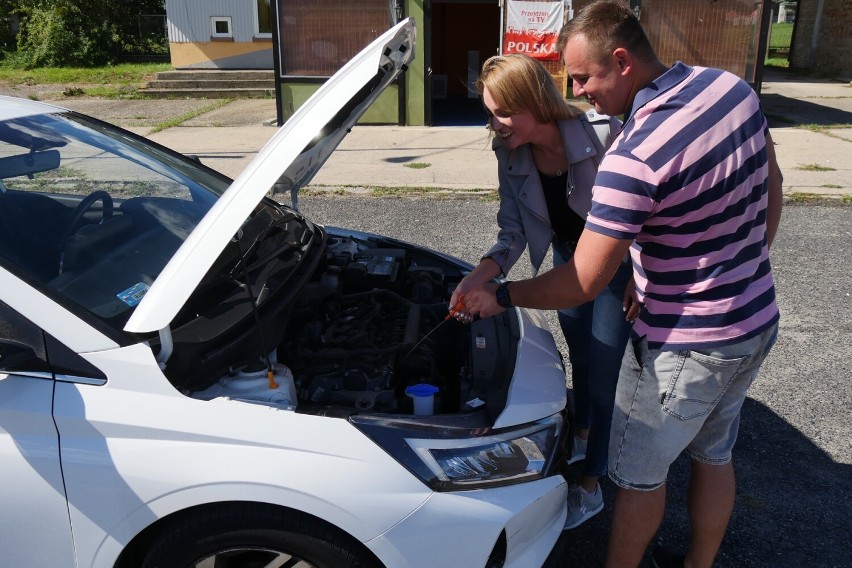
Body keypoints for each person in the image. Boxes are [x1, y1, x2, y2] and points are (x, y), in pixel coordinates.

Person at [460, 2, 783, 567]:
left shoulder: (627, 150)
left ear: (622, 60)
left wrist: (506, 296)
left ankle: (600, 502)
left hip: (678, 335)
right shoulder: (730, 89)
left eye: (583, 77)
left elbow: (587, 278)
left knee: (636, 477)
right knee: (711, 452)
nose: (579, 90)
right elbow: (770, 182)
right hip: (755, 316)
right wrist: (743, 265)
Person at [449, 53, 639, 530]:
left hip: (617, 266)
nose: (495, 124)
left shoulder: (603, 133)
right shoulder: (508, 151)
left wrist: (642, 274)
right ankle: (581, 436)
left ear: (535, 101)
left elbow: (646, 213)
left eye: (504, 112)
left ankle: (592, 484)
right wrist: (480, 275)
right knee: (579, 359)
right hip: (566, 264)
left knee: (603, 378)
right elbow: (512, 231)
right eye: (489, 112)